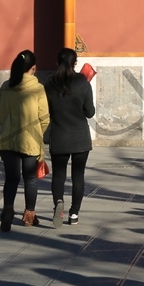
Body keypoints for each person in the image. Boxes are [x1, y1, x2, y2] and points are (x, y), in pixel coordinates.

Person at [0, 49, 49, 231]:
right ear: (33, 68)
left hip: (8, 140)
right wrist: (38, 133)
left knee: (11, 178)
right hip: (30, 140)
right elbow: (44, 117)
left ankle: (8, 209)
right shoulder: (38, 88)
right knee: (30, 179)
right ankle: (28, 215)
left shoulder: (6, 86)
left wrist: (8, 125)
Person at [46, 46, 95, 224]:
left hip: (59, 135)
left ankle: (58, 202)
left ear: (57, 62)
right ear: (75, 63)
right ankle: (74, 214)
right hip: (80, 137)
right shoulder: (83, 81)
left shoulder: (49, 83)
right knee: (78, 176)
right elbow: (90, 112)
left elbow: (46, 110)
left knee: (58, 175)